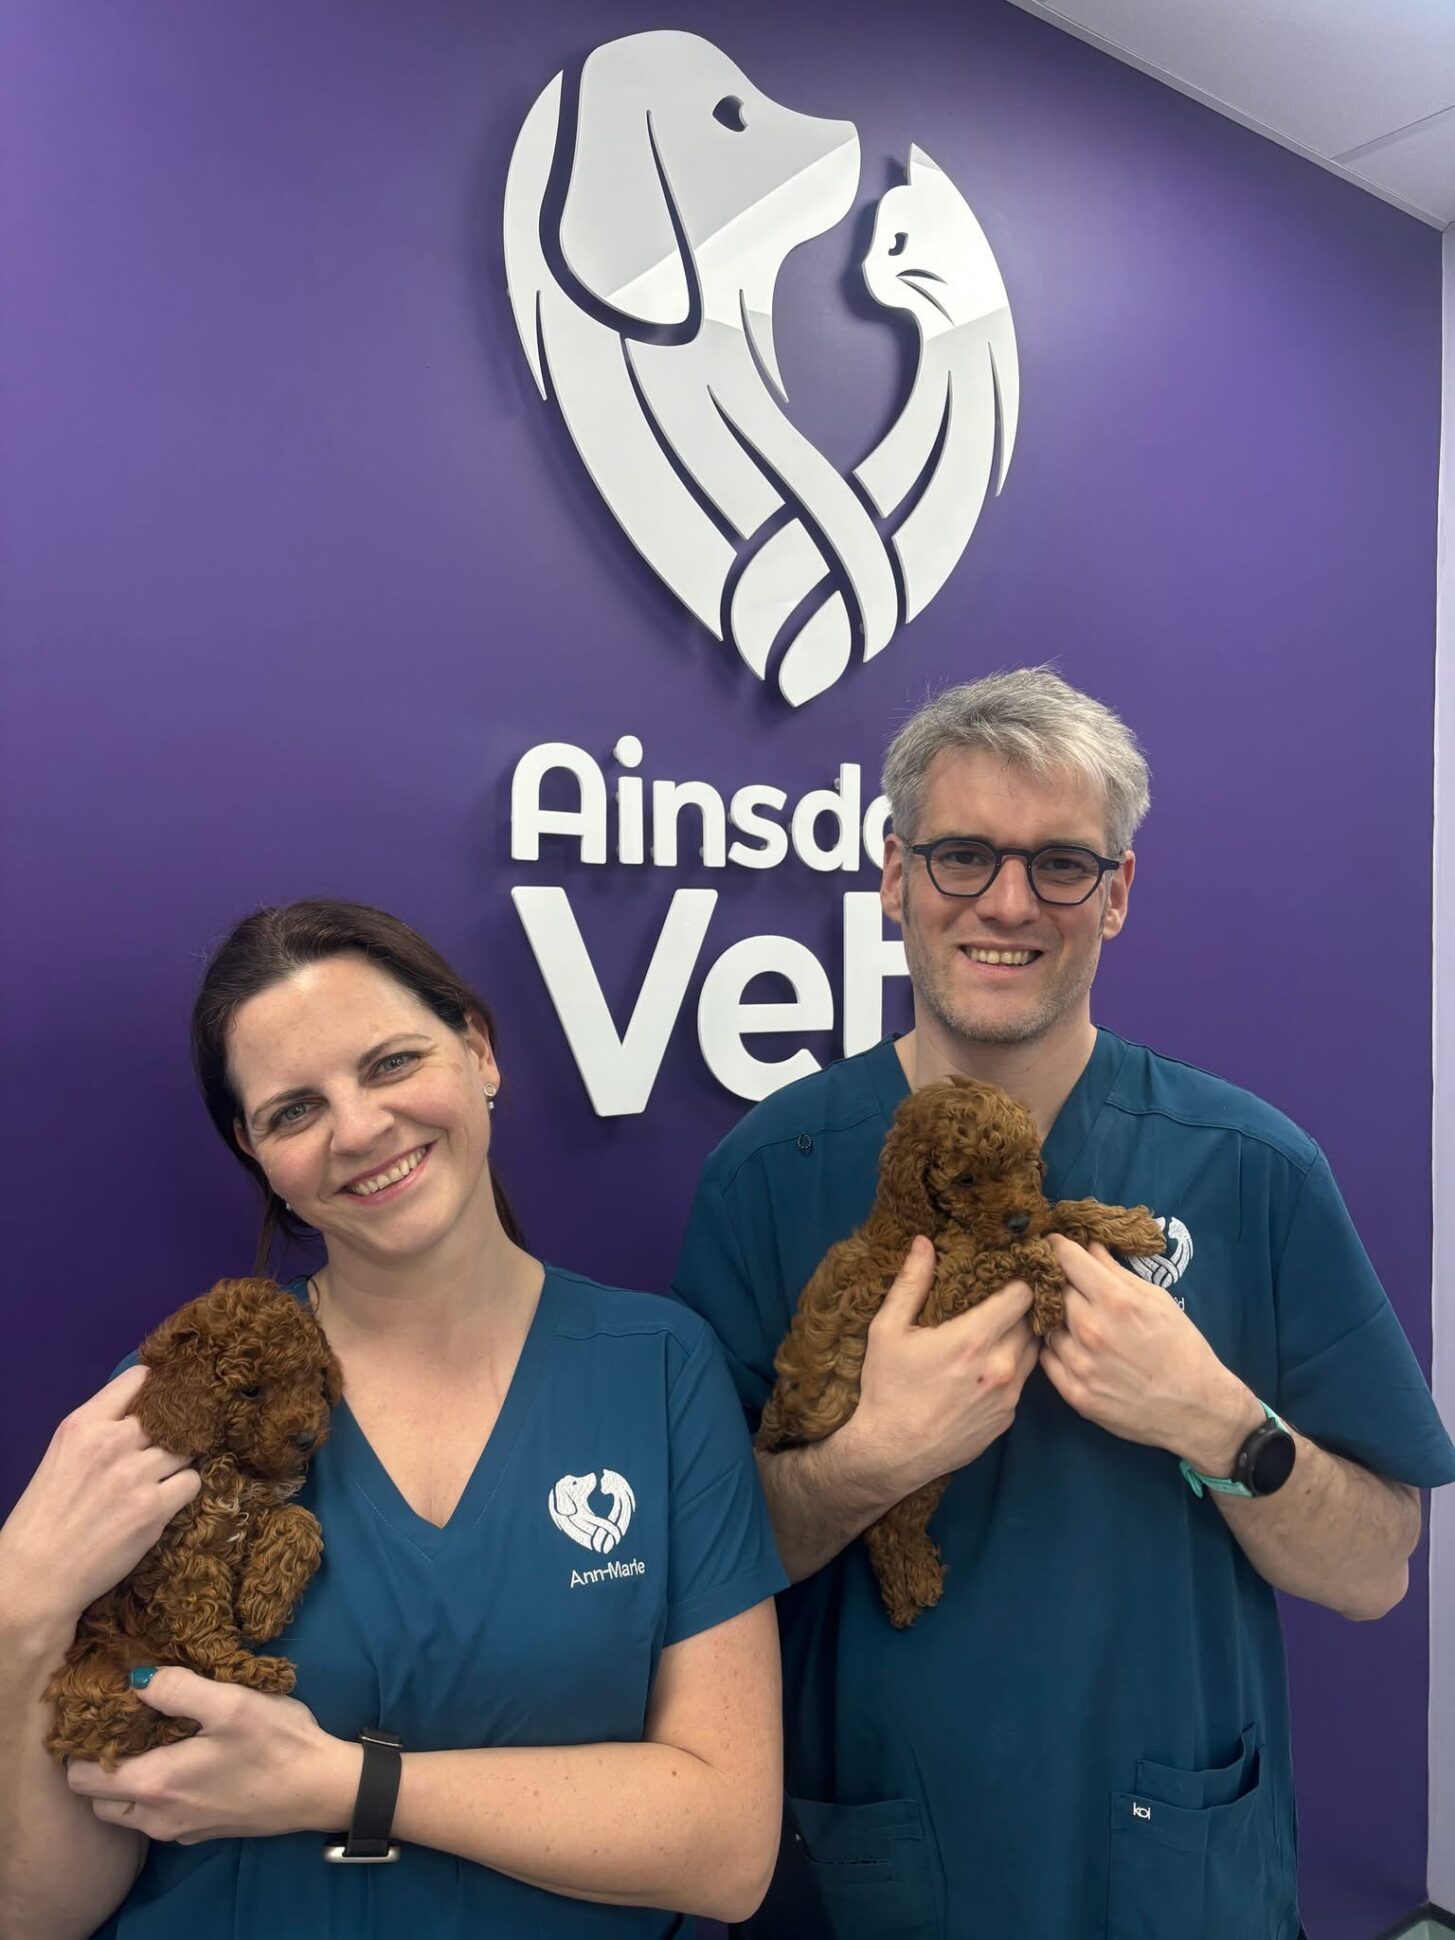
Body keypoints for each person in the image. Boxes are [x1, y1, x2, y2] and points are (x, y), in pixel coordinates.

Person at [672, 668, 1455, 1940]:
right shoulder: (773, 1175)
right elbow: (685, 1580)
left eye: (1061, 864)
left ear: (1120, 892)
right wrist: (868, 1461)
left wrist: (1222, 1425)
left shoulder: (1248, 1168)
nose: (1007, 902)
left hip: (1172, 1864)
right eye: (962, 855)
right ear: (893, 875)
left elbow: (1376, 1570)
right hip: (883, 1855)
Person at [0, 900, 785, 1940]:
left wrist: (341, 1783)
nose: (359, 1129)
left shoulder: (659, 1367)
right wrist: (22, 1609)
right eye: (294, 1110)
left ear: (479, 1050)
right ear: (257, 1152)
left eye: (389, 1063)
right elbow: (44, 1914)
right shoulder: (173, 1404)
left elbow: (727, 1847)